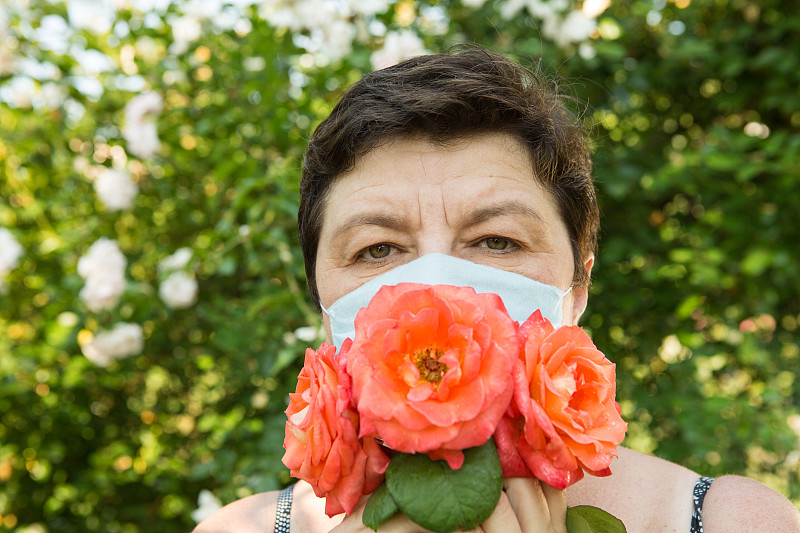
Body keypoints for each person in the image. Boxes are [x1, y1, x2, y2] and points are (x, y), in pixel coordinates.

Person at [194, 46, 800, 533]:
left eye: (498, 241)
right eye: (377, 249)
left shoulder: (731, 522)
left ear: (580, 283)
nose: (436, 289)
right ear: (324, 305)